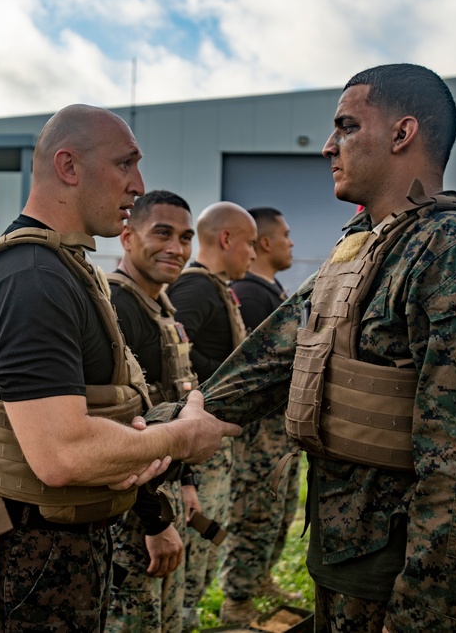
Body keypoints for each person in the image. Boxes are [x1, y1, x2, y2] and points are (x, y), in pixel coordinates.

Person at [149, 63, 456, 632]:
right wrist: (167, 429)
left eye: (347, 126)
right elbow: (272, 357)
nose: (329, 146)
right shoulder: (361, 246)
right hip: (343, 558)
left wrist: (426, 616)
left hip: (401, 579)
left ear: (402, 134)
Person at [0, 104, 240, 633]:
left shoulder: (63, 267)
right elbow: (62, 454)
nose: (137, 185)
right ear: (69, 167)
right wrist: (180, 438)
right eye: (125, 164)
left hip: (57, 554)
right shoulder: (33, 279)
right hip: (26, 564)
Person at [105, 190, 201, 633]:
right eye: (161, 233)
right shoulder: (117, 308)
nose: (177, 248)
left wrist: (184, 484)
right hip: (131, 512)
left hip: (162, 496)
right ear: (127, 237)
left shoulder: (160, 305)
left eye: (185, 237)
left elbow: (171, 404)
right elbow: (116, 430)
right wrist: (154, 520)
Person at [166, 200, 257, 630]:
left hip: (212, 449)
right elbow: (176, 358)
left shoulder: (217, 287)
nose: (253, 254)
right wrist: (224, 379)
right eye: (250, 244)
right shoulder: (196, 288)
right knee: (191, 556)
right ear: (226, 239)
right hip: (194, 454)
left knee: (204, 553)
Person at [219, 206, 302, 624]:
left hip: (282, 431)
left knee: (278, 513)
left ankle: (260, 579)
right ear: (267, 243)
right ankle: (237, 599)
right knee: (254, 513)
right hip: (259, 436)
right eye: (286, 235)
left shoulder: (270, 290)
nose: (292, 243)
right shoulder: (251, 295)